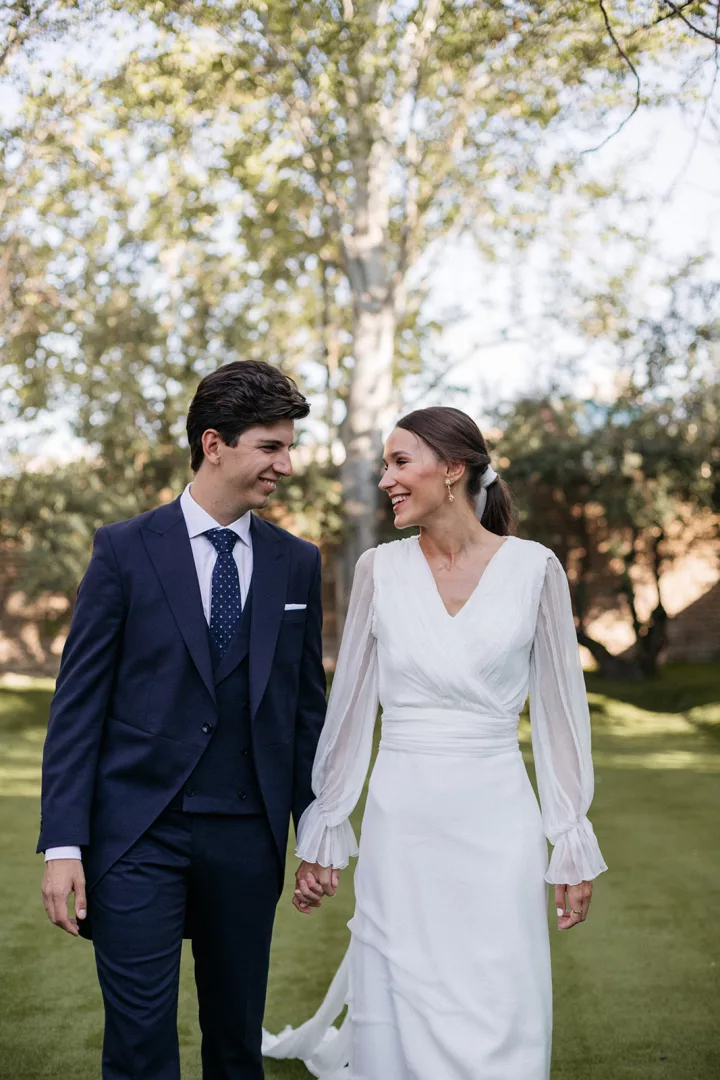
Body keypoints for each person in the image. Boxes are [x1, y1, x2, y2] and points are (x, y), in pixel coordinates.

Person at [263, 406, 608, 1080]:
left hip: (496, 815)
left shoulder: (535, 569)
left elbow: (563, 715)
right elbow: (353, 706)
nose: (385, 479)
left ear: (452, 469)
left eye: (399, 462)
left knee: (497, 985)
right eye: (384, 465)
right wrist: (326, 824)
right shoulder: (378, 571)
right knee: (398, 991)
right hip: (402, 818)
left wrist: (569, 838)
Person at [38, 360, 327, 1080]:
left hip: (246, 838)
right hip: (137, 834)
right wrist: (63, 845)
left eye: (288, 447)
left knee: (236, 1047)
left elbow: (303, 716)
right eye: (271, 446)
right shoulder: (124, 551)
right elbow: (78, 708)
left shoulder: (297, 564)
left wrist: (319, 828)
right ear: (213, 443)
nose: (285, 466)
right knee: (139, 1048)